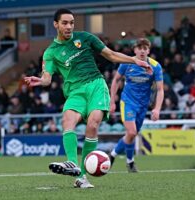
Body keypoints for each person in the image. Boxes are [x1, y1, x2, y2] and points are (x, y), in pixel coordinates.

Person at [24, 8, 151, 188]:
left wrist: (134, 60)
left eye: (71, 23)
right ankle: (72, 163)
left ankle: (82, 177)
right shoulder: (50, 52)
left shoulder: (85, 38)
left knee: (92, 124)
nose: (69, 27)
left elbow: (112, 55)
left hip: (96, 86)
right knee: (67, 121)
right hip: (75, 91)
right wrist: (41, 80)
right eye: (65, 23)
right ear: (56, 25)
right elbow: (47, 78)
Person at [109, 38, 164, 172]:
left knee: (132, 134)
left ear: (148, 51)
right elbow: (116, 80)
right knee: (132, 131)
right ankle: (116, 158)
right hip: (127, 102)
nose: (142, 51)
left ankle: (122, 159)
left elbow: (160, 89)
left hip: (143, 105)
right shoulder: (126, 63)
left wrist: (157, 109)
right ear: (135, 50)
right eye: (139, 48)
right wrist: (112, 101)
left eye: (145, 48)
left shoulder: (155, 66)